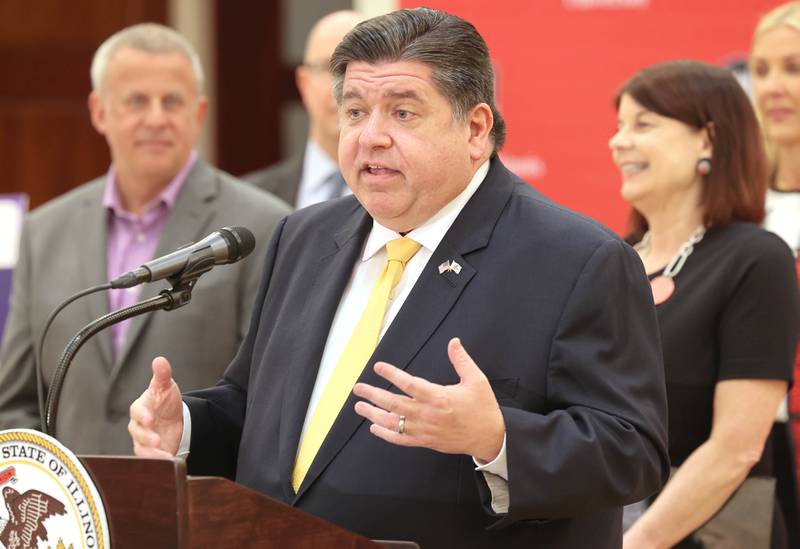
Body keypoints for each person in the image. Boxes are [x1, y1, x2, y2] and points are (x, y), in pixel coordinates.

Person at [129, 9, 669, 548]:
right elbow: (255, 405)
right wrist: (189, 428)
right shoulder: (304, 236)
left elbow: (631, 452)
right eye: (356, 111)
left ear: (476, 128)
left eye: (403, 113)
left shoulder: (577, 258)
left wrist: (496, 438)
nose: (372, 137)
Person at [0, 23, 290, 455]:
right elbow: (16, 402)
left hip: (197, 508)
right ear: (99, 112)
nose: (156, 118)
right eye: (137, 100)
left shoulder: (264, 227)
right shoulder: (44, 231)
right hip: (72, 513)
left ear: (199, 112)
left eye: (172, 101)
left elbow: (271, 399)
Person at [609, 60, 799, 548]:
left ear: (708, 140)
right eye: (619, 126)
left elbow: (737, 447)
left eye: (643, 125)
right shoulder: (610, 261)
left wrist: (638, 542)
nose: (618, 142)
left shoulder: (755, 258)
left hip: (702, 533)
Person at [751, 5, 800, 545]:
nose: (775, 87)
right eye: (762, 71)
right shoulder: (740, 202)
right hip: (758, 441)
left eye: (794, 67)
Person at [243, 10, 364, 208]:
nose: (344, 87)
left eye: (357, 67)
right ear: (303, 83)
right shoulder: (250, 199)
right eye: (329, 67)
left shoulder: (407, 194)